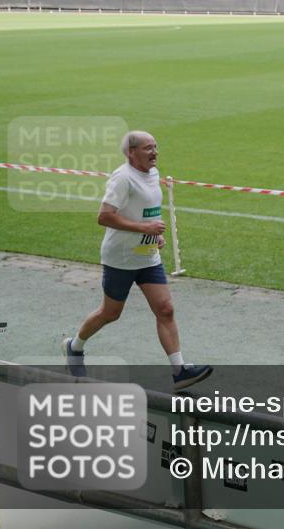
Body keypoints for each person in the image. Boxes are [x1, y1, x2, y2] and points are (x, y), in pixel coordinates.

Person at [63, 130, 212, 391]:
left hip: (147, 256)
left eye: (155, 146)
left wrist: (153, 236)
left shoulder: (153, 173)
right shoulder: (122, 178)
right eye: (147, 148)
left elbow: (146, 211)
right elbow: (104, 217)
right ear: (131, 152)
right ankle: (74, 347)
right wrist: (144, 230)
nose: (154, 152)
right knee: (110, 313)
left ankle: (179, 370)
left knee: (165, 308)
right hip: (120, 258)